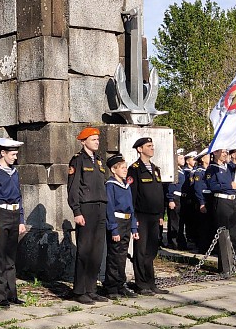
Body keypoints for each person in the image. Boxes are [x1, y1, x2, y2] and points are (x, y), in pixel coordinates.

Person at [66, 126, 109, 304]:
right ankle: (79, 290)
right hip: (86, 209)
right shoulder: (78, 160)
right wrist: (76, 211)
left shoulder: (99, 160)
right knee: (84, 250)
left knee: (97, 251)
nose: (97, 142)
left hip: (100, 208)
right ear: (84, 142)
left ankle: (91, 288)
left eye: (98, 139)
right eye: (93, 139)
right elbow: (73, 188)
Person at [0, 137, 26, 308]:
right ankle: (1, 296)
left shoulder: (14, 172)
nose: (15, 157)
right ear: (3, 153)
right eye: (13, 154)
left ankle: (12, 293)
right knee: (0, 257)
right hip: (0, 214)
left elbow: (19, 196)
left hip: (14, 214)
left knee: (11, 258)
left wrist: (21, 219)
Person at [127, 137, 170, 296]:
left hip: (154, 216)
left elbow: (159, 193)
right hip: (141, 215)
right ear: (140, 149)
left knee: (151, 250)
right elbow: (132, 195)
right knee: (141, 250)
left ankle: (151, 283)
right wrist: (134, 217)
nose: (152, 148)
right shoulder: (134, 169)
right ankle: (141, 284)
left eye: (153, 145)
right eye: (149, 146)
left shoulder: (155, 169)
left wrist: (160, 214)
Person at [103, 153, 139, 299]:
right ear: (113, 169)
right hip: (117, 222)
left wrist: (133, 227)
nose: (125, 170)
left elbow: (131, 207)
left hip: (126, 221)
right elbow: (109, 208)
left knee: (122, 255)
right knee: (114, 255)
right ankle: (111, 287)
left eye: (125, 167)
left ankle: (120, 284)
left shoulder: (126, 185)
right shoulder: (111, 185)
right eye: (122, 168)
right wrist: (113, 228)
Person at [205, 148, 236, 269]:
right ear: (215, 153)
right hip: (221, 201)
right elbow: (212, 185)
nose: (226, 154)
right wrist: (228, 185)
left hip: (232, 201)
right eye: (223, 152)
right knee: (223, 234)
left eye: (227, 152)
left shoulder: (230, 167)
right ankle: (224, 266)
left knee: (233, 234)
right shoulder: (212, 169)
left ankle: (233, 264)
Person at [191, 149, 213, 252]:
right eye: (208, 156)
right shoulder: (199, 172)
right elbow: (198, 188)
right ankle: (202, 247)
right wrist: (202, 203)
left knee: (210, 224)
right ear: (203, 159)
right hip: (203, 198)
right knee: (203, 225)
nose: (210, 158)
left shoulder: (210, 170)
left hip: (210, 198)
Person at [165, 149, 186, 250]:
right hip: (175, 197)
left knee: (180, 221)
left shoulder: (181, 171)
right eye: (181, 158)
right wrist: (170, 199)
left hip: (181, 197)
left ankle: (180, 241)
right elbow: (171, 186)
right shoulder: (174, 172)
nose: (184, 160)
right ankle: (173, 242)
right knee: (174, 221)